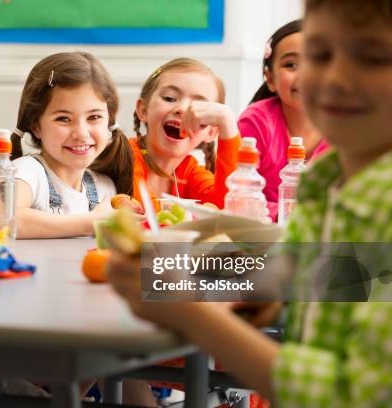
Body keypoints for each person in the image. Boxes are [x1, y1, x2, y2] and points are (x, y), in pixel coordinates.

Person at [108, 0, 392, 406]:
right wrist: (162, 268)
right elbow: (303, 268)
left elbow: (350, 394)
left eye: (372, 58)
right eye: (321, 54)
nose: (335, 76)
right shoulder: (326, 183)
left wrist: (195, 316)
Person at [0, 52, 134, 238]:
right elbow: (2, 219)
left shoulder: (104, 188)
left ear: (109, 120)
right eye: (64, 119)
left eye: (94, 117)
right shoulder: (27, 172)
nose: (81, 133)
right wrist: (92, 222)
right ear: (36, 126)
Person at [238, 19, 328, 219]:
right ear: (270, 79)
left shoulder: (349, 128)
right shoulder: (255, 122)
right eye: (291, 65)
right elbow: (238, 197)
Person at [131, 58, 241, 208]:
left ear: (210, 132)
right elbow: (142, 209)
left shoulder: (190, 172)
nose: (182, 109)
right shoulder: (126, 156)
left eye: (199, 107)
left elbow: (229, 205)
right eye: (169, 98)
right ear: (143, 110)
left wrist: (227, 122)